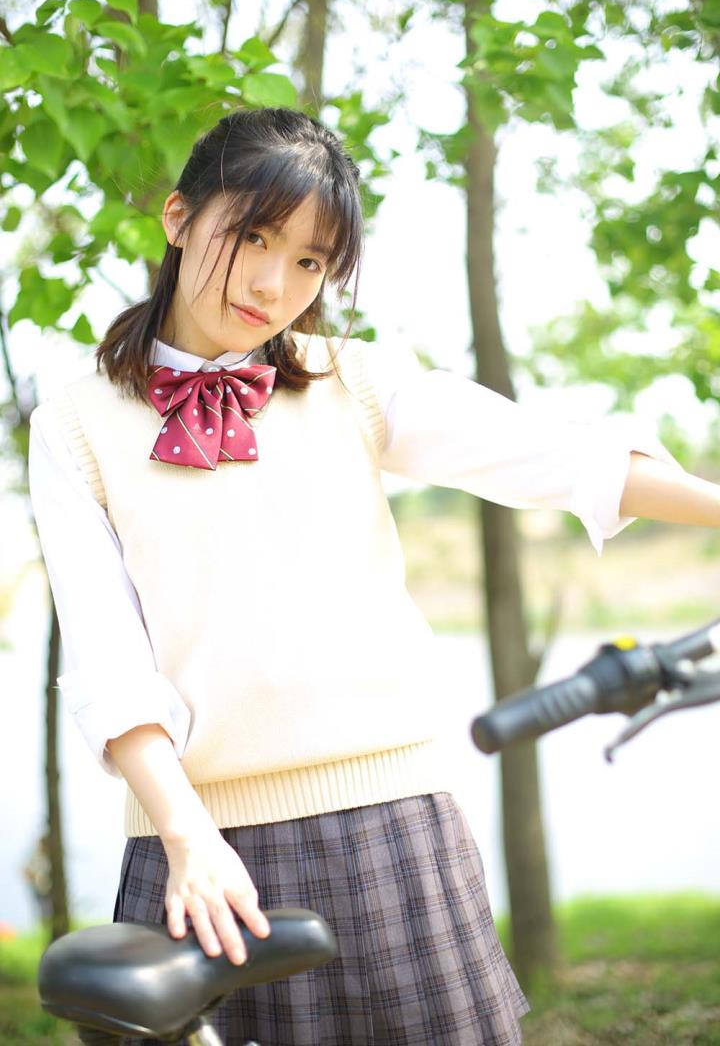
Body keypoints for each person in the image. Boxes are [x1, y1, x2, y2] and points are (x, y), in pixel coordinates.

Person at [28, 106, 720, 1046]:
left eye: (310, 261)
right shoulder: (74, 424)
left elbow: (558, 458)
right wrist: (188, 836)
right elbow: (110, 663)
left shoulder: (350, 382)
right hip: (199, 849)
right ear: (179, 217)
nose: (273, 284)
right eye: (253, 235)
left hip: (394, 827)